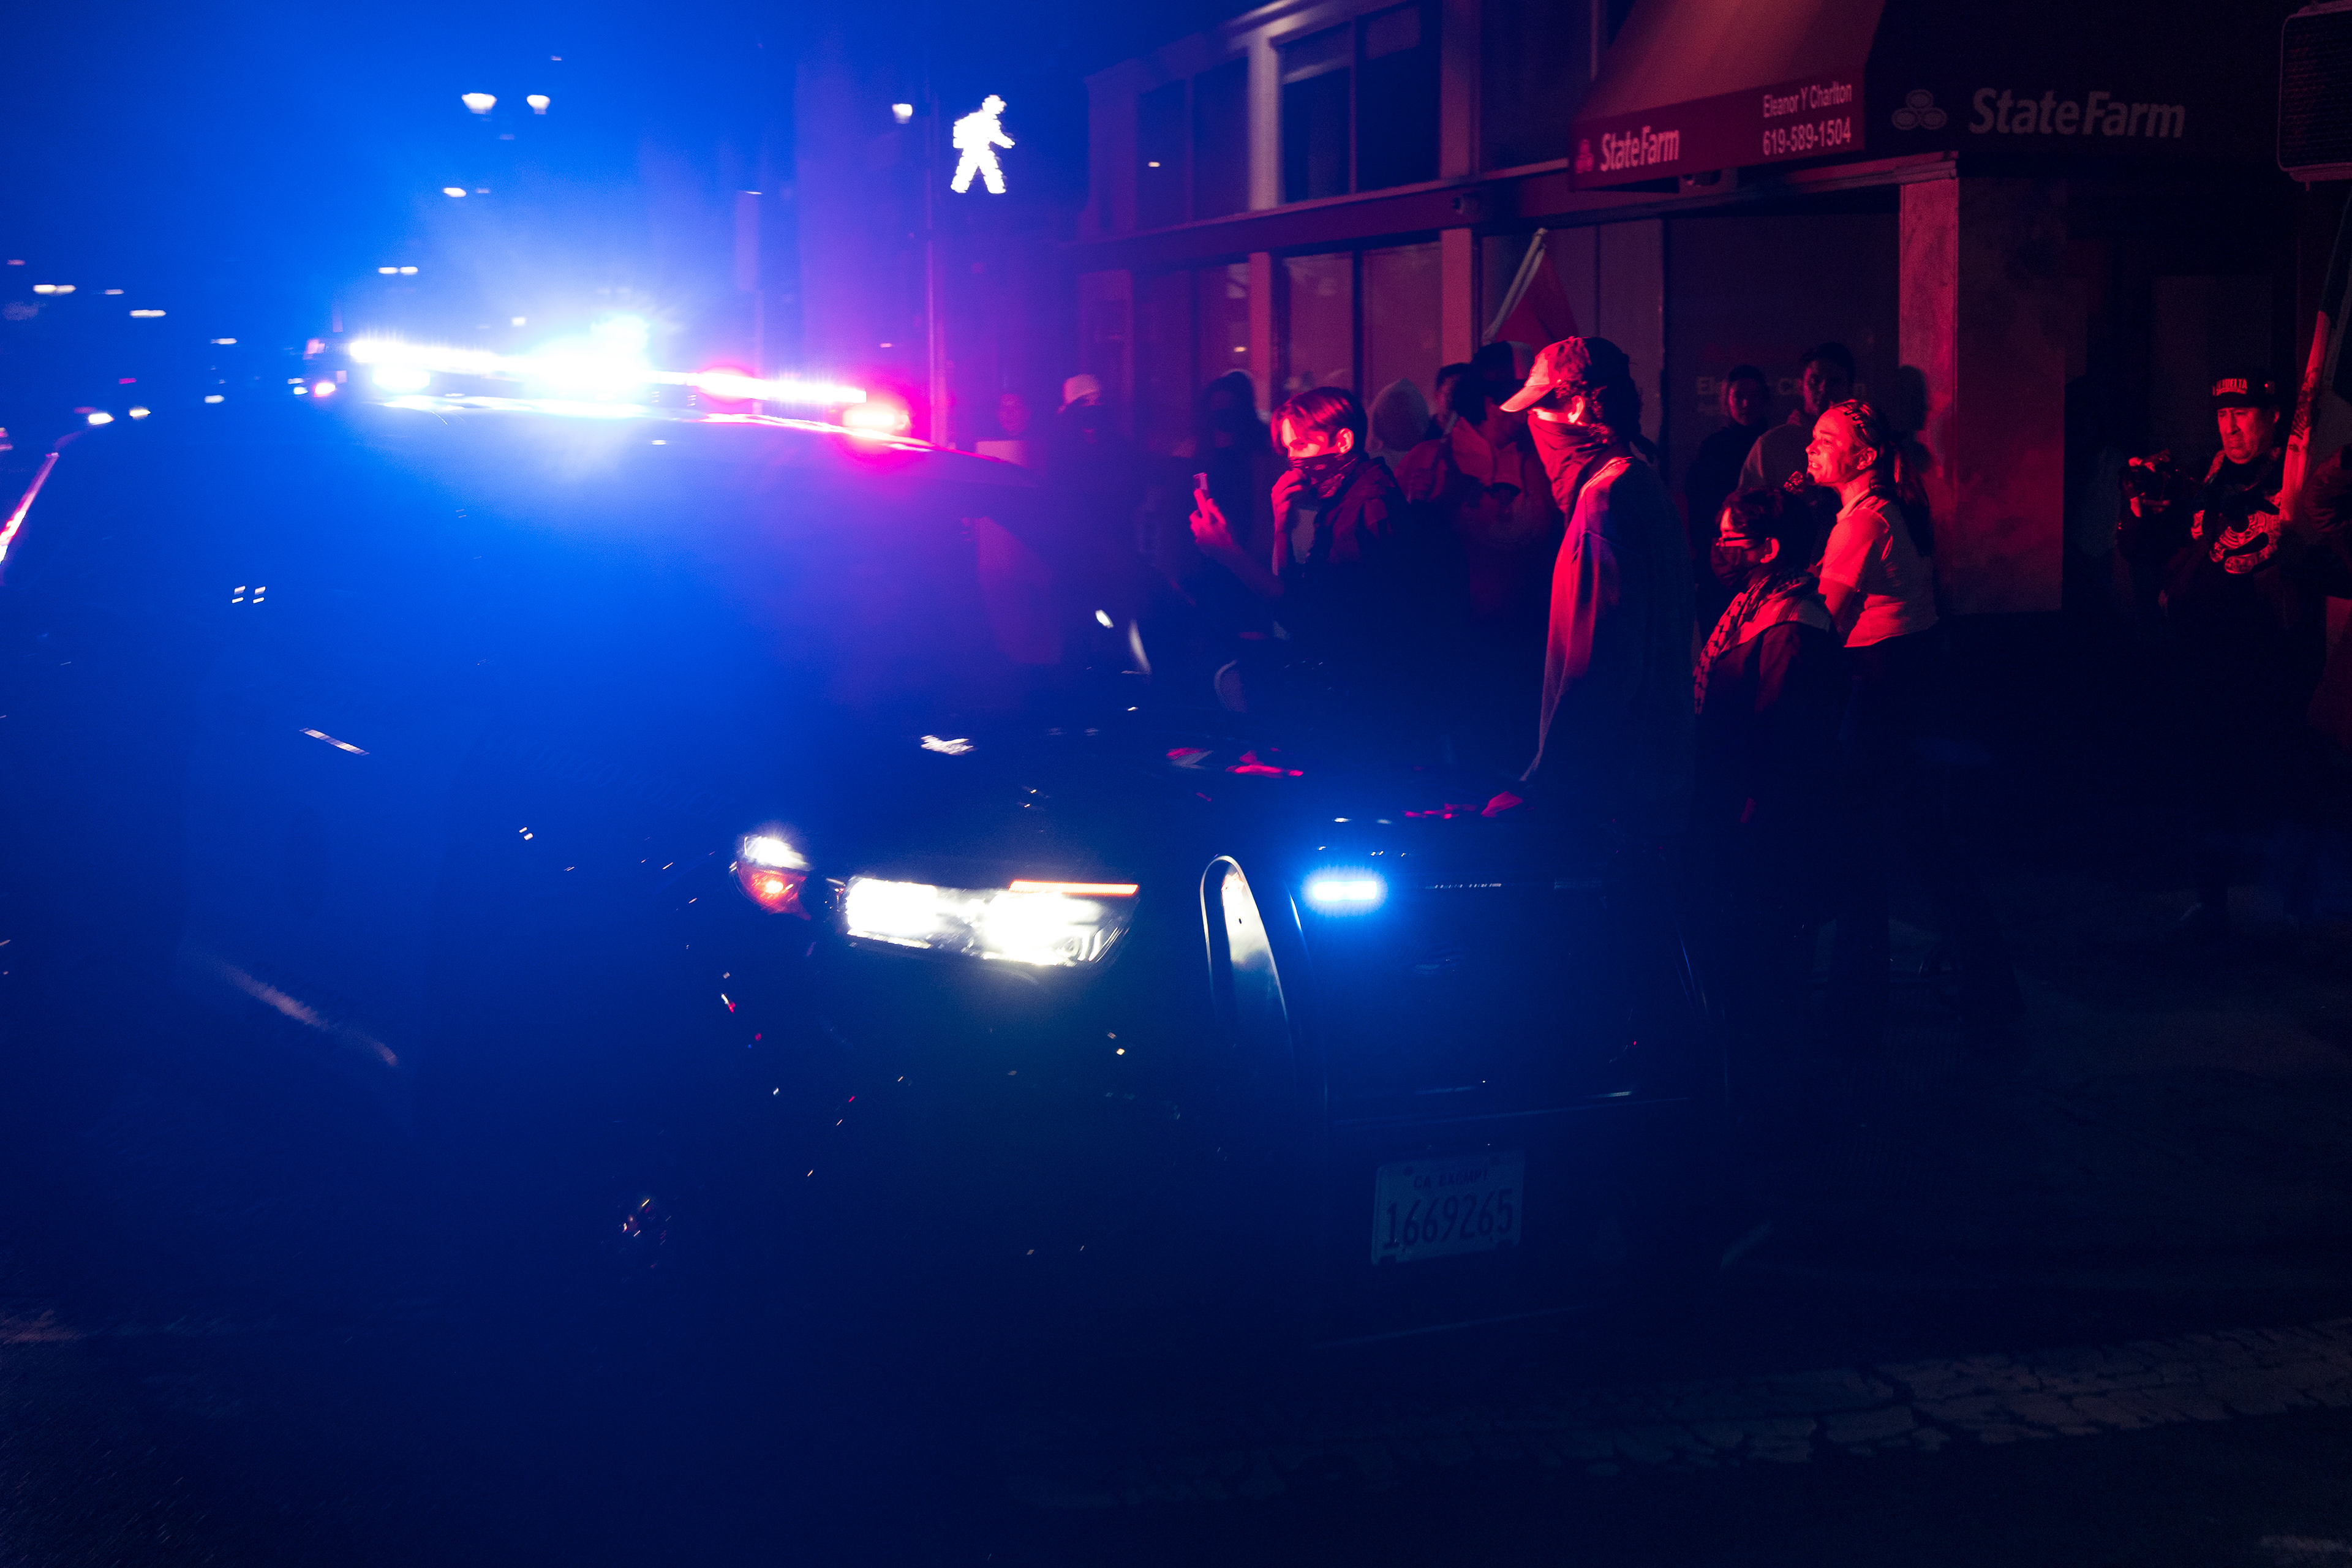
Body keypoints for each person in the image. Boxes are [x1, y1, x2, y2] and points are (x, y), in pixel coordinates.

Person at [1807, 397, 2021, 1048]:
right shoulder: (1886, 510)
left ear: (1865, 457)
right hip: (1911, 690)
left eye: (1825, 439)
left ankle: (1855, 1011)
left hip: (1882, 698)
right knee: (1929, 847)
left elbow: (1822, 627)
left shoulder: (1862, 525)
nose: (1811, 448)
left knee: (1862, 851)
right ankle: (1989, 992)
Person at [2117, 371, 2325, 936]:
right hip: (2205, 662)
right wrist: (2139, 504)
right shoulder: (2204, 480)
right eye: (2222, 415)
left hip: (2272, 663)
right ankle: (2213, 901)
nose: (2230, 428)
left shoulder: (2293, 480)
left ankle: (2295, 908)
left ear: (2272, 416)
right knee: (2209, 782)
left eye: (2243, 414)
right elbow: (2142, 549)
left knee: (2285, 781)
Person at [1495, 336, 1692, 831]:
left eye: (1540, 408)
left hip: (1606, 791)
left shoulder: (1604, 502)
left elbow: (1600, 669)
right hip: (1650, 775)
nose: (1533, 422)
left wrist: (1545, 785)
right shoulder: (1643, 483)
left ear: (1579, 407)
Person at [1689, 486, 1848, 1081]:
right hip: (1738, 810)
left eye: (1730, 539)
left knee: (1770, 972)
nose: (1718, 550)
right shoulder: (1756, 606)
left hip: (1768, 828)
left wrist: (1750, 813)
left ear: (1768, 548)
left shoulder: (1793, 623)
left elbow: (1785, 739)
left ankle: (1777, 1096)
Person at [1188, 386, 1423, 723]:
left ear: (1343, 442)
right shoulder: (1345, 496)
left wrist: (1228, 553)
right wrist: (1281, 526)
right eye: (1287, 449)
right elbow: (1295, 598)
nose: (1293, 461)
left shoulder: (1368, 507)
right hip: (1346, 684)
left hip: (1362, 701)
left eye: (1301, 445)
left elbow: (1312, 617)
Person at [1398, 359, 1560, 767]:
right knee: (1467, 755)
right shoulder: (1430, 459)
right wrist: (1425, 506)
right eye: (1515, 401)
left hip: (1527, 639)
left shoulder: (1539, 461)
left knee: (1522, 751)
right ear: (1487, 403)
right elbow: (1396, 550)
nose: (1525, 413)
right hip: (1457, 639)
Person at [1683, 364, 1771, 627]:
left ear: (1764, 399)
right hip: (1721, 563)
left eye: (1754, 396)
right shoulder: (1712, 449)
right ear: (1726, 400)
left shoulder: (1774, 444)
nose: (1746, 404)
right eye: (1739, 396)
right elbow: (1699, 511)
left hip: (1767, 561)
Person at [1738, 342, 1853, 496]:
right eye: (1815, 381)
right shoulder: (1771, 446)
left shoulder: (1860, 447)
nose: (1824, 389)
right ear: (1800, 387)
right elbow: (1747, 506)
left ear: (1850, 388)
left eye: (1835, 382)